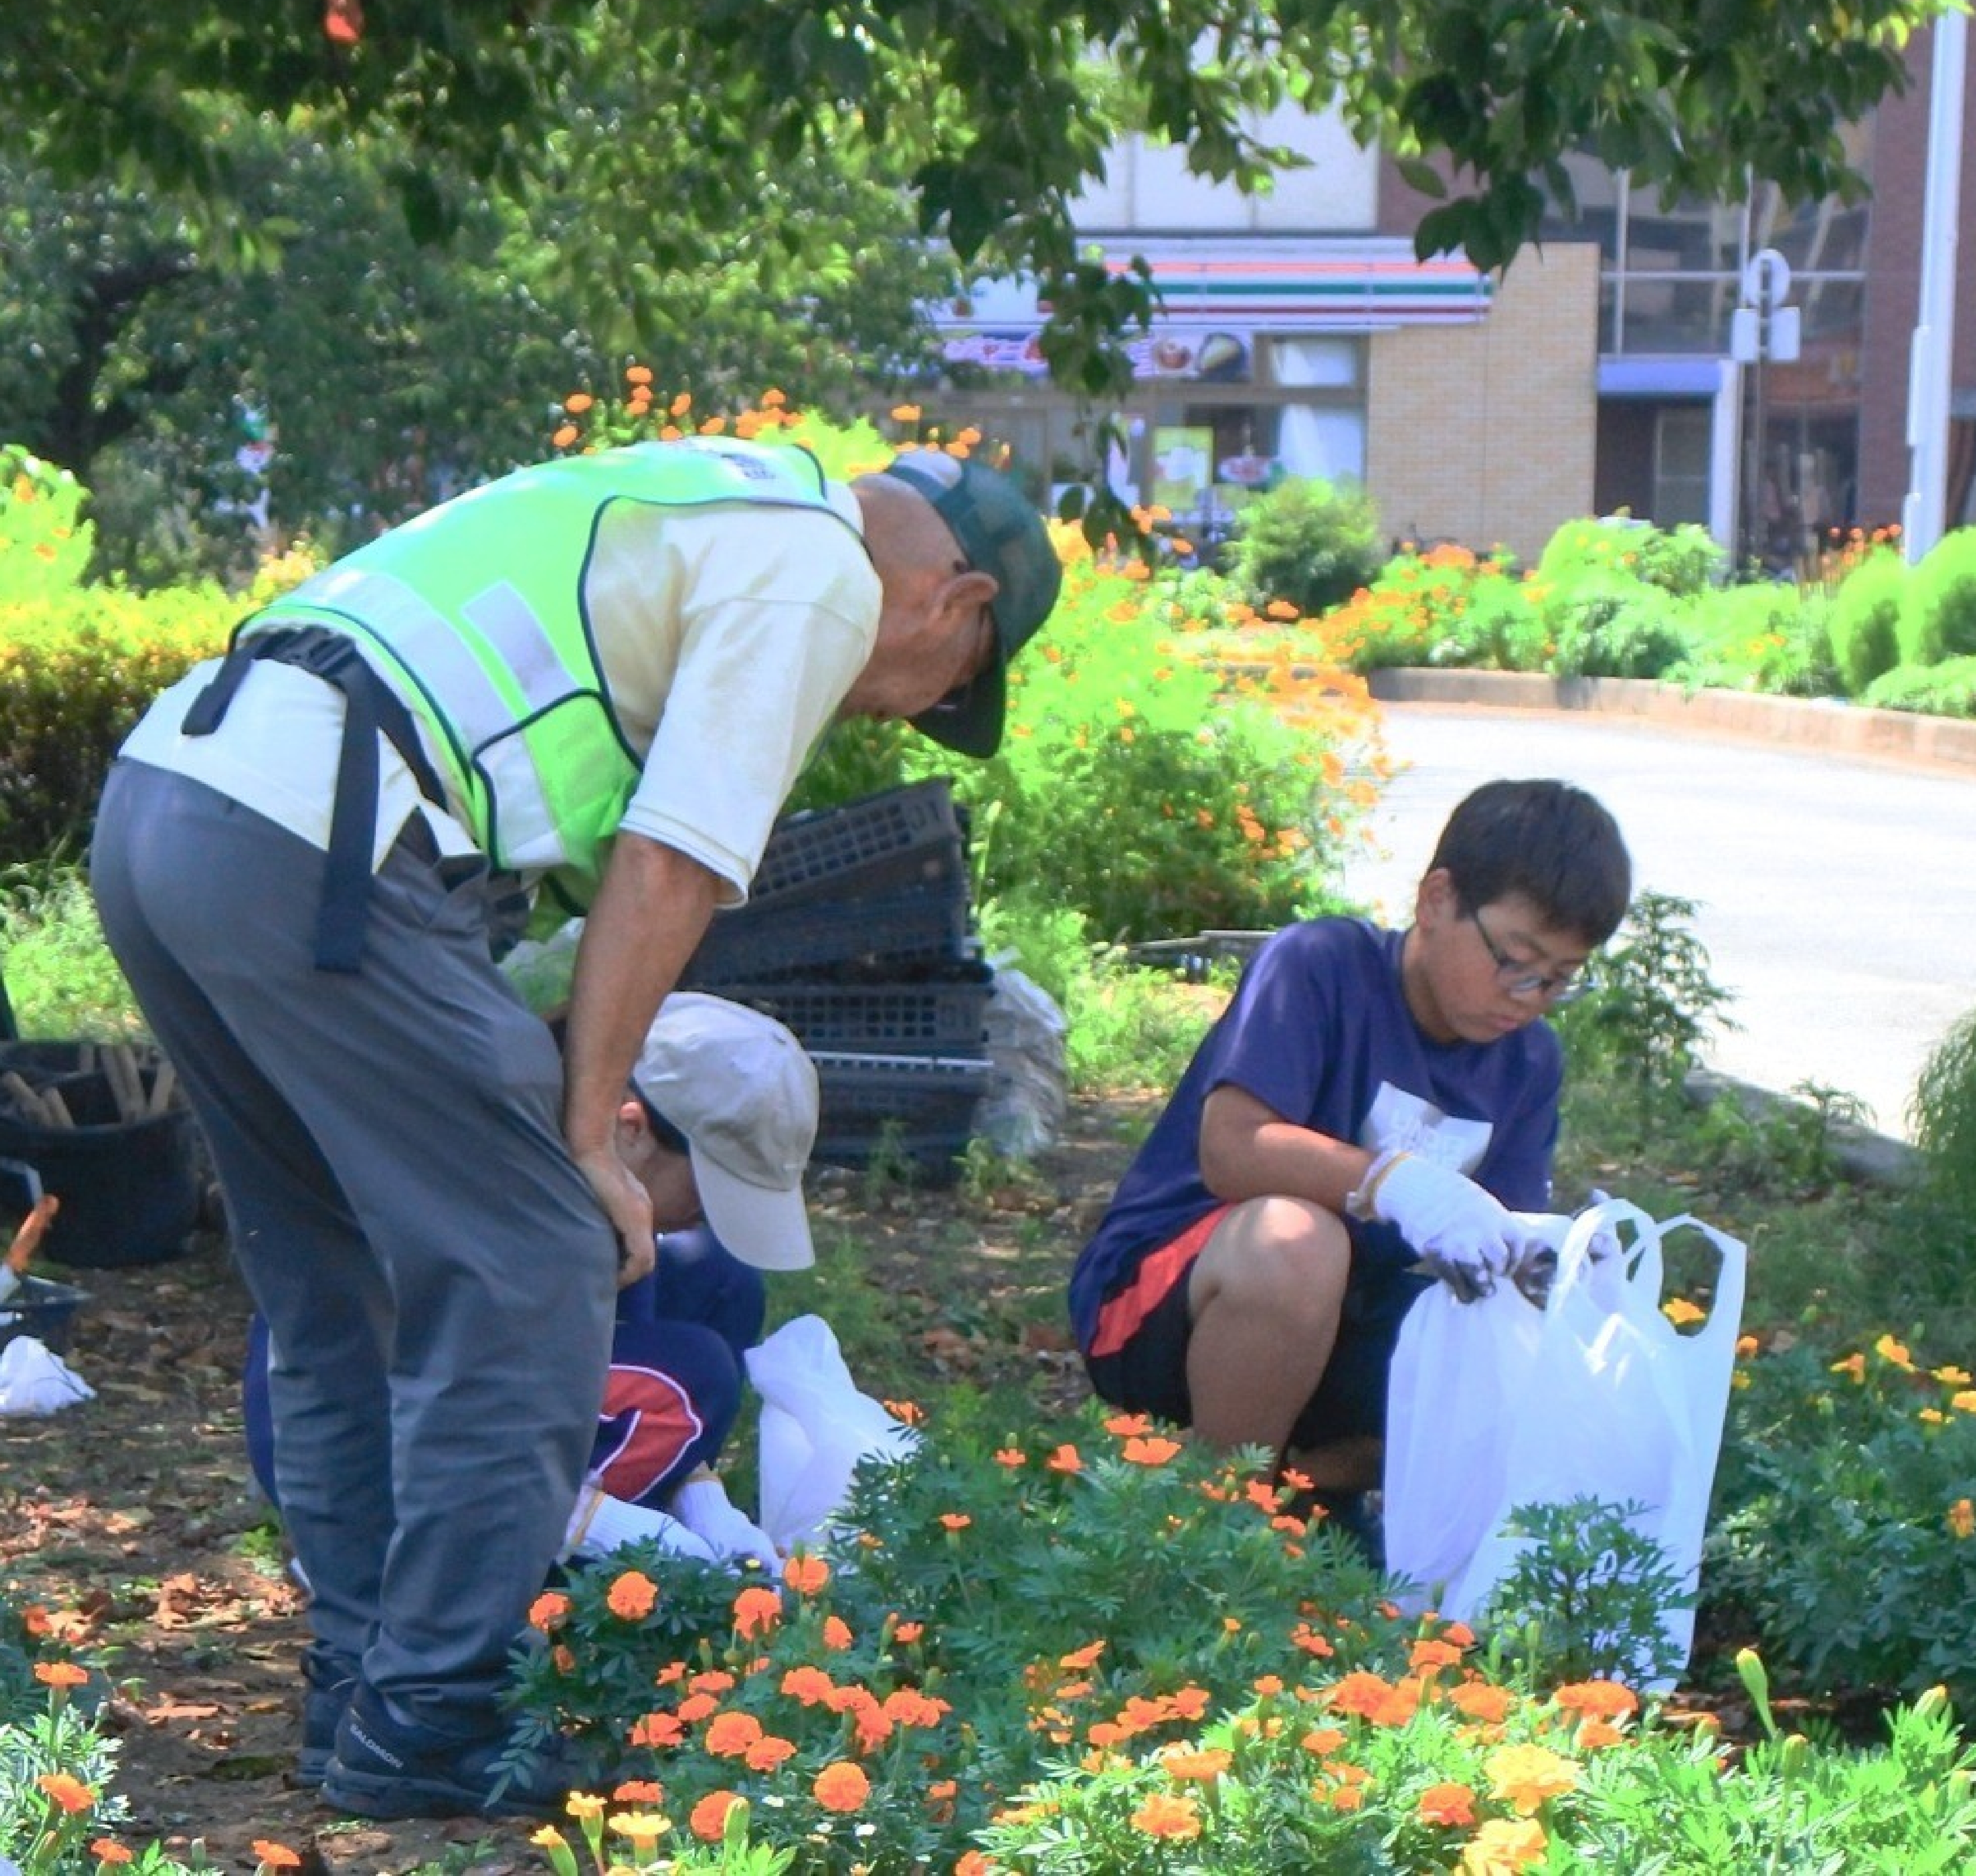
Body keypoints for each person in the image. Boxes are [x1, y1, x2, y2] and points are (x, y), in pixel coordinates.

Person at [90, 436, 1059, 1821]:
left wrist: (562, 1090)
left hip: (177, 797)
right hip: (318, 825)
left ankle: (368, 1684)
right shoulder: (818, 574)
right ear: (953, 606)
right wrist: (592, 1139)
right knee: (537, 1251)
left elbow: (598, 885)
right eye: (938, 697)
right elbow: (672, 866)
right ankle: (439, 1708)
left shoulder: (713, 501)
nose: (888, 716)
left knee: (333, 1279)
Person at [237, 991, 811, 1777]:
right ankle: (476, 1585)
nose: (706, 1213)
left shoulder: (587, 1155)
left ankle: (579, 1523)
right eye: (710, 1188)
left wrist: (705, 1499)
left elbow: (599, 1341)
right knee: (699, 1371)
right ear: (633, 1127)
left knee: (719, 1282)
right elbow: (484, 1373)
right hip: (378, 1437)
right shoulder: (521, 1191)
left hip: (474, 1381)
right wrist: (605, 1526)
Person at [1067, 780, 1633, 1530]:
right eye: (1516, 959)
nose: (1528, 996)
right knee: (1300, 1240)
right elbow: (1231, 1150)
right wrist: (1391, 1182)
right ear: (1438, 900)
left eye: (1559, 979)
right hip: (1173, 1305)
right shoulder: (1322, 966)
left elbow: (1498, 1243)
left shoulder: (1529, 1062)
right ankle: (1215, 1526)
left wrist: (1549, 1260)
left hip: (1343, 1331)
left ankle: (1302, 1492)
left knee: (1514, 1343)